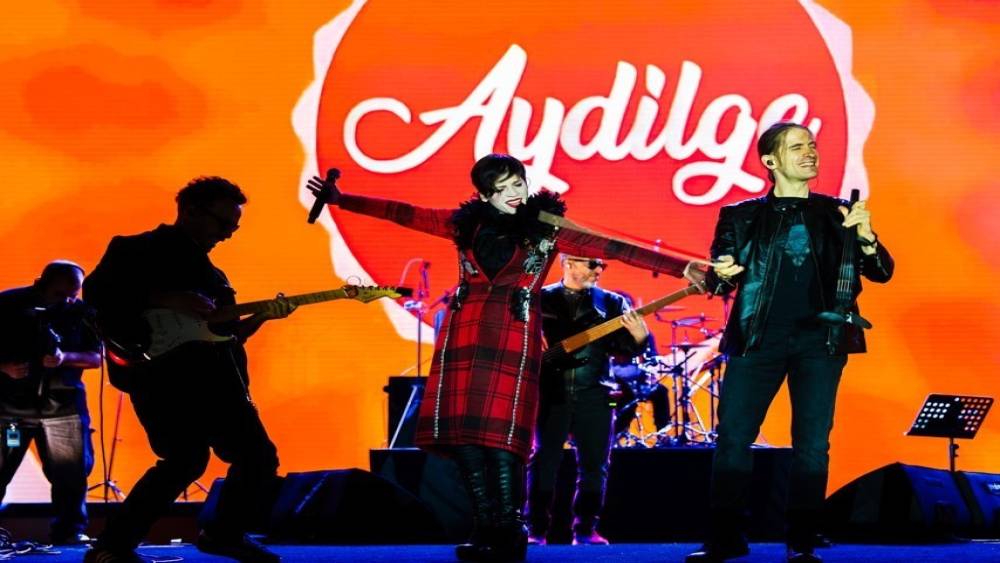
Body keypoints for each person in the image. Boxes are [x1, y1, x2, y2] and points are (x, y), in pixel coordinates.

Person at [307, 154, 703, 562]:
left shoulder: (547, 227)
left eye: (518, 183)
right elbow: (404, 213)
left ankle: (511, 527)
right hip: (465, 330)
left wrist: (683, 267)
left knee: (503, 436)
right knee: (465, 436)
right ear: (483, 194)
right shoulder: (464, 223)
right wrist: (342, 200)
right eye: (502, 188)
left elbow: (615, 247)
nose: (514, 193)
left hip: (514, 331)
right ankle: (485, 525)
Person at [686, 122, 893, 563]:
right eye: (797, 147)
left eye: (812, 145)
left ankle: (802, 539)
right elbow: (720, 278)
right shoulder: (740, 215)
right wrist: (718, 273)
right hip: (757, 339)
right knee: (734, 438)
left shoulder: (838, 212)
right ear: (770, 160)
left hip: (821, 341)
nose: (810, 153)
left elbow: (882, 272)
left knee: (813, 443)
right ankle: (725, 537)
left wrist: (867, 238)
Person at [82, 177, 295, 563]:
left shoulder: (215, 276)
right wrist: (166, 297)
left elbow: (227, 335)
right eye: (223, 224)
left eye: (233, 228)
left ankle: (223, 535)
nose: (227, 234)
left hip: (218, 380)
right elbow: (97, 297)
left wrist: (263, 316)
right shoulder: (134, 248)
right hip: (161, 378)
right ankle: (112, 547)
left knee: (257, 458)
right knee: (185, 460)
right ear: (191, 211)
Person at [526, 255, 649, 546]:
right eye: (592, 264)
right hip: (551, 393)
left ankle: (585, 530)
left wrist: (639, 337)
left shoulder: (612, 302)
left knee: (595, 465)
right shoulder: (540, 299)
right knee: (543, 462)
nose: (599, 270)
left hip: (596, 392)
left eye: (601, 265)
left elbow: (624, 350)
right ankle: (535, 530)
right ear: (569, 263)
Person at [0, 261, 101, 544]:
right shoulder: (7, 304)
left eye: (73, 295)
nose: (67, 301)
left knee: (71, 476)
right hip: (10, 411)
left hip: (63, 410)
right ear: (41, 284)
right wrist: (5, 368)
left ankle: (69, 534)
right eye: (60, 294)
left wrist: (64, 358)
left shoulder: (82, 313)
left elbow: (96, 357)